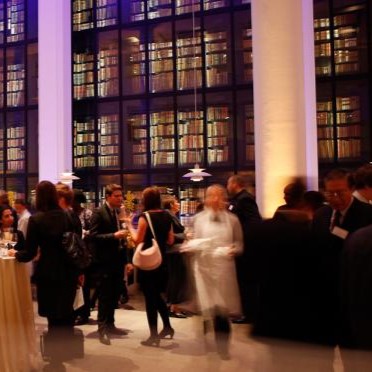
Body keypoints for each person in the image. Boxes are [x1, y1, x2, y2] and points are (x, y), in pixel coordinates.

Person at [8, 181, 83, 370]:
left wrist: (14, 254)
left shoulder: (37, 220)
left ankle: (55, 361)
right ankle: (64, 355)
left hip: (48, 273)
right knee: (66, 314)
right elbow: (77, 246)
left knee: (52, 317)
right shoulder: (70, 217)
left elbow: (30, 252)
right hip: (68, 272)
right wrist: (80, 272)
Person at [312, 168, 372, 345]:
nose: (335, 198)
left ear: (351, 189)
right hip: (325, 297)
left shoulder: (367, 214)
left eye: (340, 192)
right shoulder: (321, 215)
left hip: (354, 295)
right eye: (330, 193)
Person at [189, 184, 243, 359]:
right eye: (211, 196)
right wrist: (191, 245)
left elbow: (240, 245)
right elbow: (193, 240)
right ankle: (207, 343)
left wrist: (233, 249)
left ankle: (223, 349)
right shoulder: (198, 219)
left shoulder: (233, 220)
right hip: (203, 270)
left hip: (223, 270)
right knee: (207, 310)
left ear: (224, 198)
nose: (215, 199)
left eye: (218, 196)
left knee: (222, 311)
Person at [125, 186, 174, 347]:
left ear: (145, 200)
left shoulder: (144, 217)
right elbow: (170, 240)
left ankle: (154, 335)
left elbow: (137, 240)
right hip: (162, 261)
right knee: (157, 296)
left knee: (150, 300)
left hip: (148, 263)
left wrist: (129, 226)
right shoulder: (167, 215)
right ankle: (167, 327)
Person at [89, 184, 129, 345]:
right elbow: (93, 237)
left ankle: (111, 324)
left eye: (121, 196)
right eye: (117, 196)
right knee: (104, 296)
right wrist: (114, 235)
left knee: (114, 294)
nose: (120, 199)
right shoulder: (99, 212)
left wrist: (126, 261)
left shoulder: (117, 212)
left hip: (117, 260)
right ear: (108, 197)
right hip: (104, 261)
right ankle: (102, 328)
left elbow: (123, 236)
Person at [227, 174, 262, 324]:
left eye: (228, 184)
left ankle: (249, 315)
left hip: (247, 249)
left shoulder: (245, 199)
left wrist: (240, 240)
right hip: (241, 248)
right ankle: (244, 312)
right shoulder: (238, 200)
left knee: (247, 282)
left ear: (235, 184)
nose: (227, 187)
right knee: (242, 281)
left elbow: (253, 224)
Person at [163, 196, 189, 318]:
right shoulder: (169, 215)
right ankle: (173, 307)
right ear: (171, 204)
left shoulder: (171, 215)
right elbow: (170, 237)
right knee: (176, 279)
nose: (178, 204)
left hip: (173, 251)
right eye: (176, 202)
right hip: (173, 252)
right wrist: (185, 235)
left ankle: (171, 306)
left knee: (174, 279)